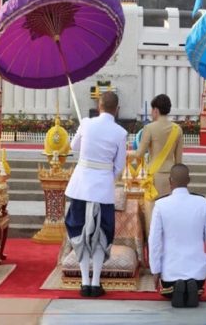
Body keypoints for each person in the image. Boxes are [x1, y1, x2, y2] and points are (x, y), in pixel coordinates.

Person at [64, 91, 127, 298]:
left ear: (99, 106)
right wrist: (104, 175)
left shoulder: (87, 123)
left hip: (81, 186)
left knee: (79, 230)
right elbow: (119, 167)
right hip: (102, 189)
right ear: (116, 110)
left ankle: (84, 282)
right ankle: (96, 282)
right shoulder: (120, 132)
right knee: (102, 233)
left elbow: (73, 147)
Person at [148, 164, 206, 308]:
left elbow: (154, 241)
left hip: (170, 271)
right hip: (198, 271)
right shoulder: (202, 203)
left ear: (170, 181)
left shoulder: (161, 204)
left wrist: (155, 270)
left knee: (168, 288)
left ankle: (176, 288)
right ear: (189, 180)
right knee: (197, 284)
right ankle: (193, 287)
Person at [132, 94, 183, 201]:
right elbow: (179, 161)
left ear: (155, 110)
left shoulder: (149, 128)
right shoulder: (177, 129)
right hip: (172, 177)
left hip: (154, 176)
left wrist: (127, 154)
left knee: (152, 212)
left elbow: (139, 153)